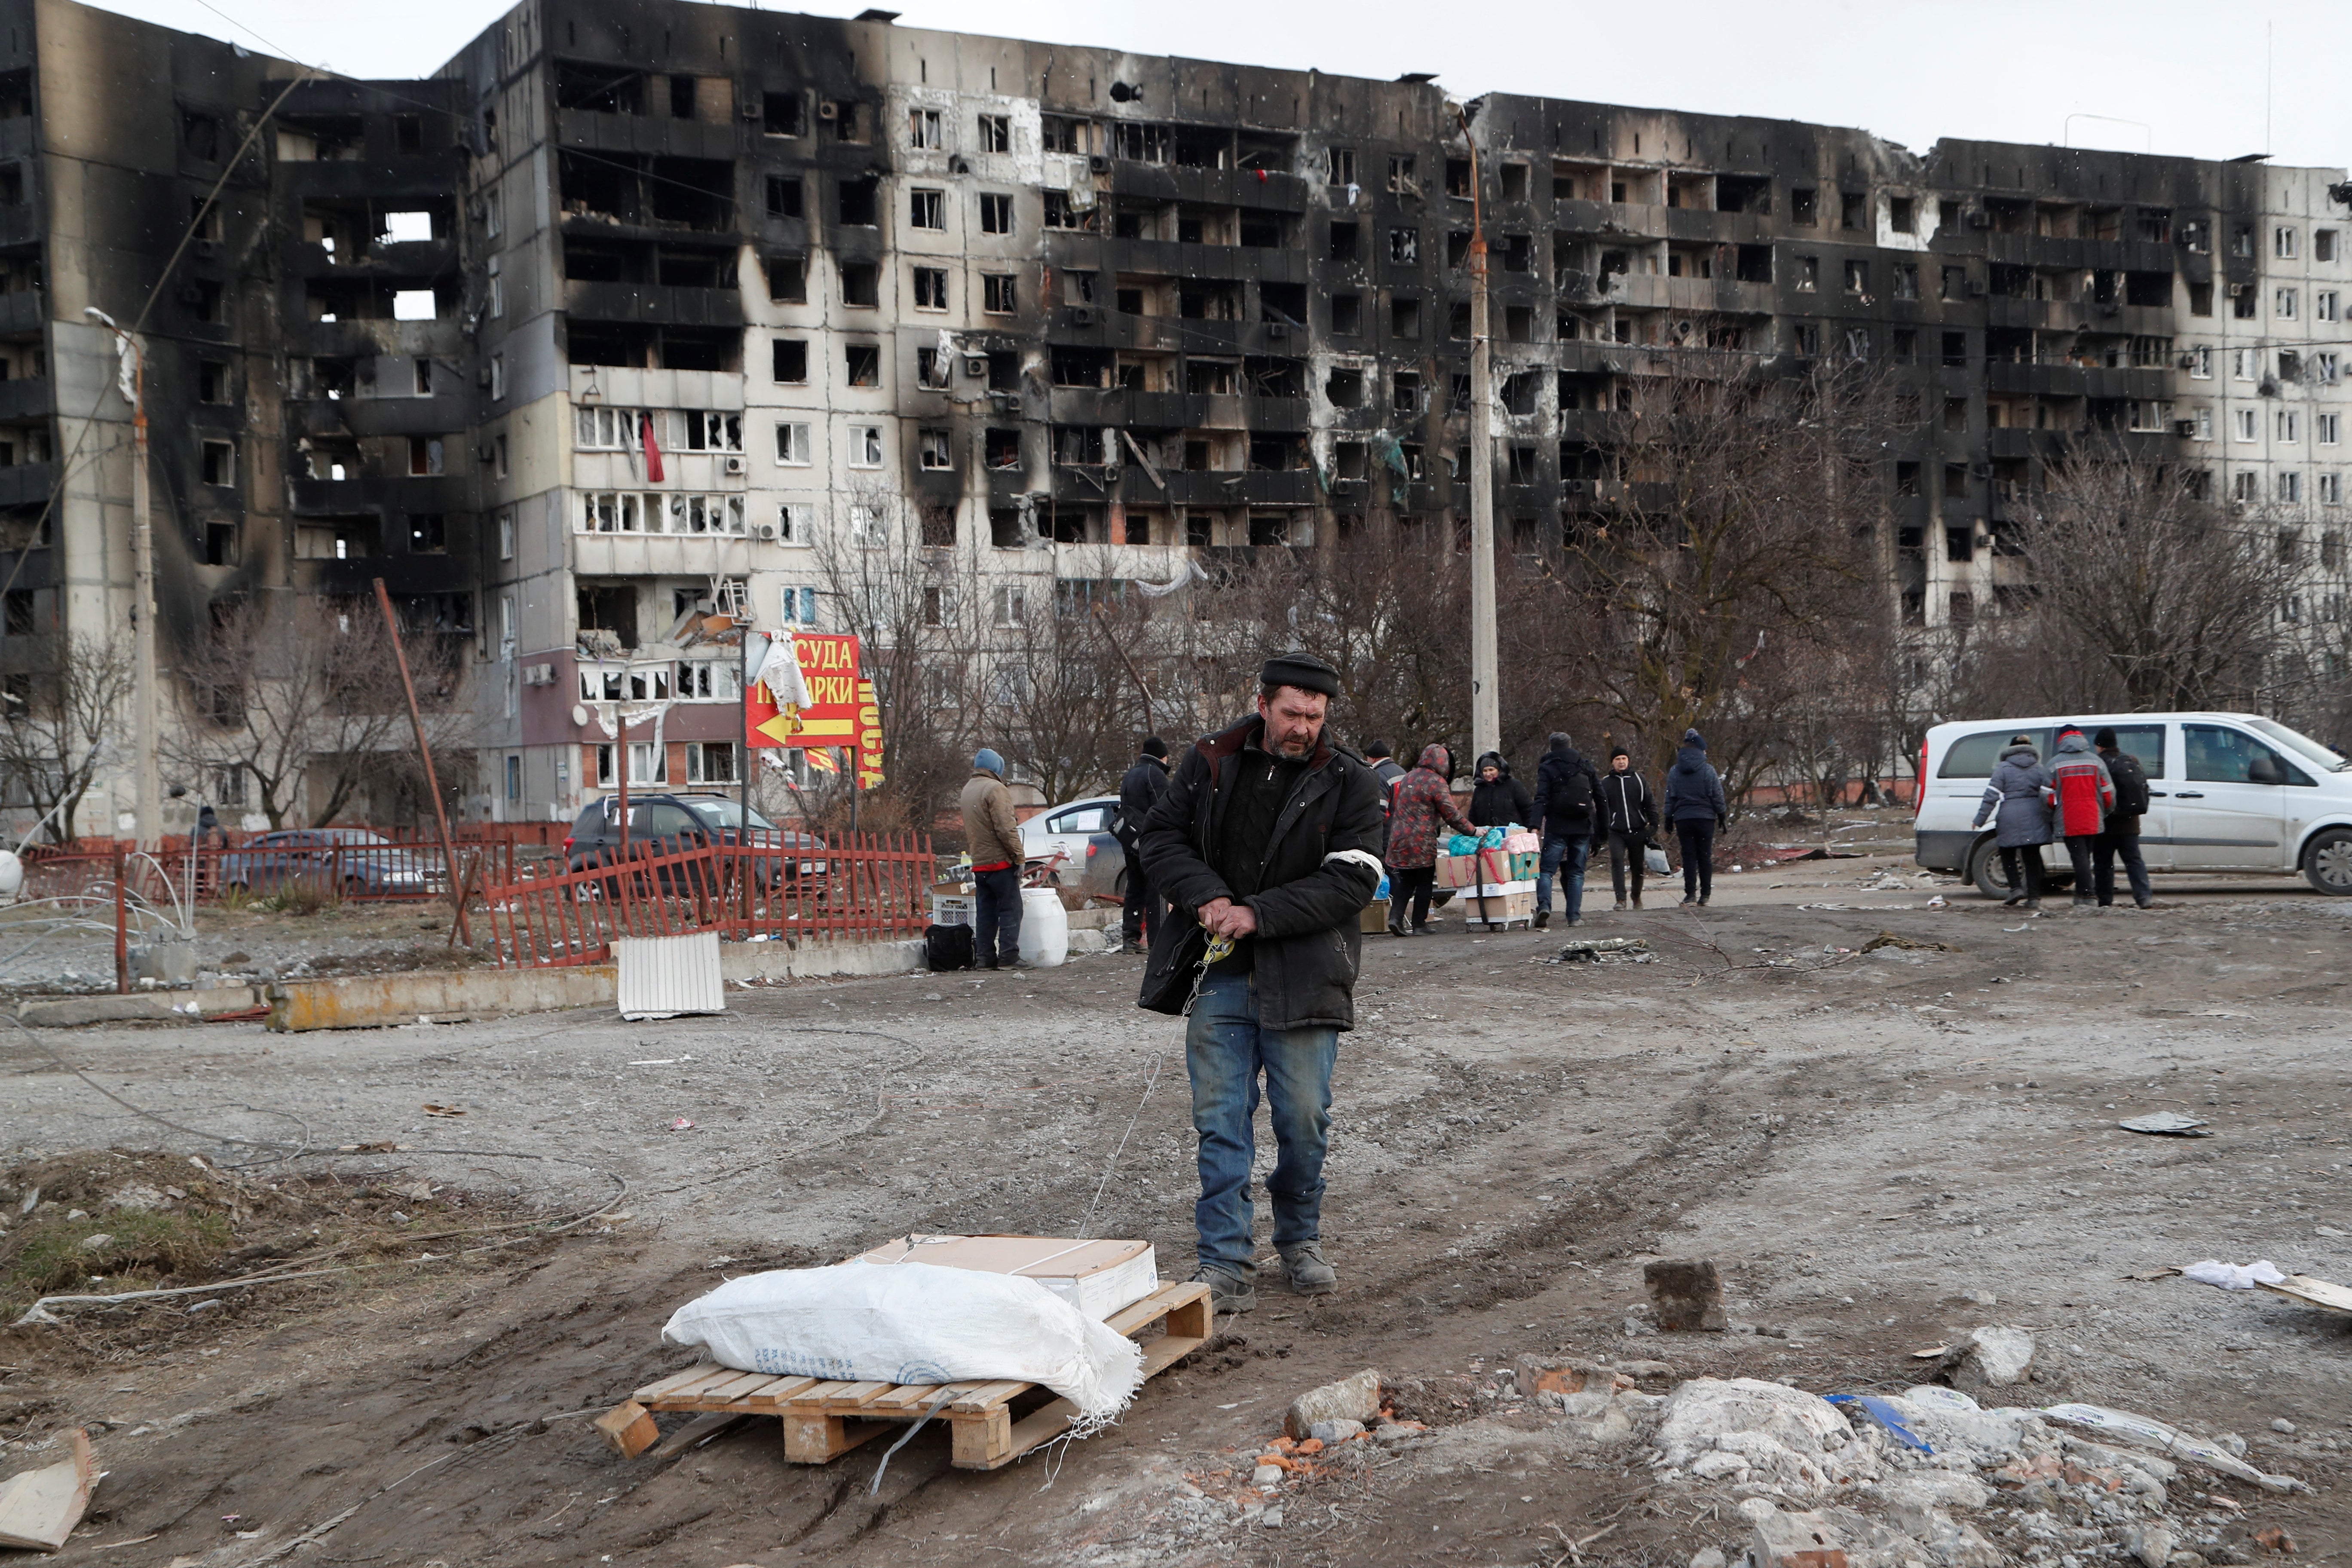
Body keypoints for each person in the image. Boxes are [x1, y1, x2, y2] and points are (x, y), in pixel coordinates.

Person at [1136, 652, 1386, 1315]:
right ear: (1263, 703)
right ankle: (1225, 1259)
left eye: (1315, 715)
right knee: (1220, 1122)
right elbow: (1160, 840)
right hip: (1220, 972)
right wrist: (1207, 897)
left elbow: (1353, 880)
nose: (1303, 726)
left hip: (1308, 975)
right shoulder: (1210, 761)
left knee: (1304, 1121)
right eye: (1291, 713)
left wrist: (1259, 913)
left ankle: (1299, 1239)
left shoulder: (1352, 783)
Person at [1382, 742, 1476, 935]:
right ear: (1443, 763)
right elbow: (1451, 814)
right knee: (1425, 881)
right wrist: (1473, 831)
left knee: (1407, 881)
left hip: (1399, 838)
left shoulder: (1410, 776)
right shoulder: (1436, 782)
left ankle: (1396, 918)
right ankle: (1419, 924)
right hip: (1421, 841)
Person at [960, 747, 1026, 969]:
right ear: (996, 768)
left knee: (986, 913)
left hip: (980, 863)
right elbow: (1006, 828)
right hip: (1000, 862)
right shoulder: (995, 789)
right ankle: (1009, 957)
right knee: (1011, 908)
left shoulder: (967, 790)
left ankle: (984, 958)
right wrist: (1019, 857)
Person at [1530, 732, 1602, 929]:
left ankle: (1544, 906)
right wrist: (1601, 834)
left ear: (1552, 747)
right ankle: (1574, 917)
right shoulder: (1586, 766)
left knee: (1546, 871)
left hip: (1557, 826)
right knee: (1576, 874)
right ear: (1571, 745)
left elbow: (1542, 798)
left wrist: (1534, 825)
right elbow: (1601, 799)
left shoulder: (1547, 768)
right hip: (1582, 827)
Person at [1971, 734, 2051, 908]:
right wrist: (2050, 818)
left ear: (2010, 749)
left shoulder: (2003, 768)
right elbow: (2049, 796)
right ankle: (2035, 897)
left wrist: (1980, 819)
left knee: (2007, 852)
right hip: (2034, 815)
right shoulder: (2040, 769)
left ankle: (2015, 888)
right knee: (2032, 857)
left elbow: (1991, 796)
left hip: (2009, 815)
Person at [2043, 723, 2116, 908]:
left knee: (2079, 857)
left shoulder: (2054, 764)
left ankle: (2088, 895)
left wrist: (2051, 813)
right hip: (2093, 817)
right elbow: (2109, 793)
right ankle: (2081, 895)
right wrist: (2105, 812)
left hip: (2069, 818)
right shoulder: (2096, 761)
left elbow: (2046, 797)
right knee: (2085, 857)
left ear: (2062, 740)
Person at [1115, 737, 1172, 951]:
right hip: (1151, 840)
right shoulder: (1155, 774)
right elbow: (1165, 809)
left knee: (1135, 888)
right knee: (1155, 889)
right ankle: (1158, 941)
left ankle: (1130, 936)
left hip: (1130, 841)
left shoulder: (1131, 774)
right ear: (1162, 756)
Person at [1663, 728, 1728, 906]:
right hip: (1705, 818)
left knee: (1689, 857)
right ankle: (1705, 894)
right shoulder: (1708, 770)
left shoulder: (1675, 771)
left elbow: (1670, 796)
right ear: (1701, 750)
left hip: (1683, 819)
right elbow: (1717, 794)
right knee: (1705, 856)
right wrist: (1722, 815)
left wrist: (1668, 818)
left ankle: (1690, 894)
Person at [2092, 726, 2153, 910]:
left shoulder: (2098, 763)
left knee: (2103, 862)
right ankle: (2144, 897)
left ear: (2100, 746)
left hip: (2106, 823)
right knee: (2134, 861)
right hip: (2130, 823)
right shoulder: (2131, 760)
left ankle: (2105, 899)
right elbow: (2143, 788)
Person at [1598, 744, 1659, 912]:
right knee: (1617, 861)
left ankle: (1636, 896)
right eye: (1618, 759)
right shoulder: (1606, 783)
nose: (1621, 762)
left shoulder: (1639, 779)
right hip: (1616, 831)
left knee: (1637, 866)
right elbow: (1601, 809)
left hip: (1637, 829)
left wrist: (1654, 824)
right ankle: (1621, 899)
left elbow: (1649, 802)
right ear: (1612, 763)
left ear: (1629, 760)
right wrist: (1601, 830)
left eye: (1624, 759)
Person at [1467, 751, 1532, 829]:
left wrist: (1530, 830)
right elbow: (1473, 816)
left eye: (1491, 770)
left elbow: (1528, 810)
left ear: (1499, 770)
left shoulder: (1514, 785)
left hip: (1512, 835)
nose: (1488, 774)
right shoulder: (1479, 790)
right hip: (1487, 836)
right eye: (1485, 771)